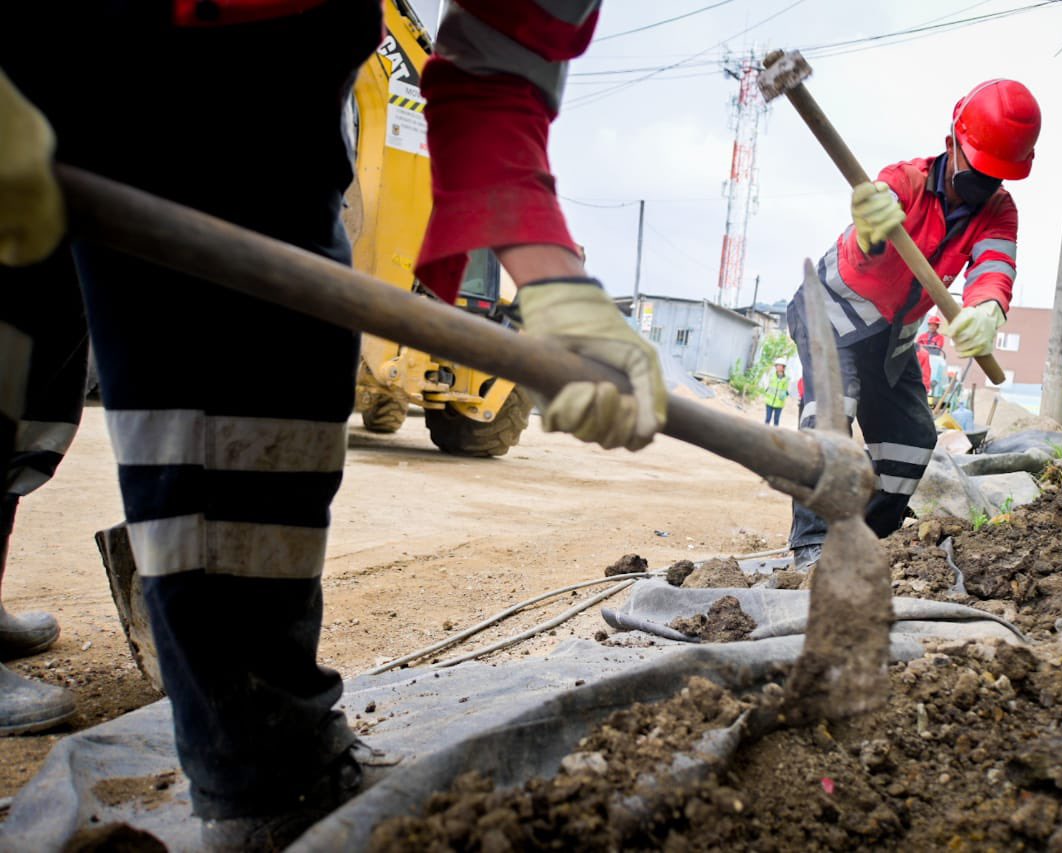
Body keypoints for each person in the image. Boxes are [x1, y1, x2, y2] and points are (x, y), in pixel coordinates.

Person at [0, 0, 661, 848]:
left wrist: (548, 268)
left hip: (272, 72)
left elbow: (504, 59)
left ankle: (268, 769)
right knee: (10, 352)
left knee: (270, 378)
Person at [788, 79, 1039, 571]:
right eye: (980, 169)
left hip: (891, 340)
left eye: (999, 174)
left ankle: (866, 538)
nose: (987, 182)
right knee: (831, 418)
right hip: (830, 318)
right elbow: (861, 258)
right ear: (952, 144)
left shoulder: (998, 210)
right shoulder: (902, 183)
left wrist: (987, 309)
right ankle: (812, 548)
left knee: (911, 438)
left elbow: (993, 267)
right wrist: (868, 232)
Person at [917, 313, 948, 398]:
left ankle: (932, 386)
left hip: (934, 357)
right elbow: (918, 346)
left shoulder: (940, 337)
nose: (932, 327)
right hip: (923, 357)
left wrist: (927, 348)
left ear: (937, 327)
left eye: (934, 325)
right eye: (930, 325)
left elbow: (938, 347)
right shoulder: (922, 336)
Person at [762, 359, 790, 426]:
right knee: (767, 419)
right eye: (777, 365)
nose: (778, 367)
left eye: (780, 366)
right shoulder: (772, 375)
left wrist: (785, 394)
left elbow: (788, 390)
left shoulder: (787, 379)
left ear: (783, 367)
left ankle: (775, 435)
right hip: (769, 401)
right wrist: (766, 389)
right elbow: (766, 383)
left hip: (779, 403)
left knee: (776, 421)